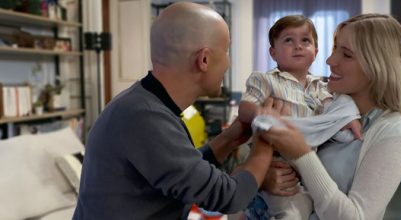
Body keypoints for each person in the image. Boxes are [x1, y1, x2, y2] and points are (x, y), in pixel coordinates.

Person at [73, 2, 275, 219]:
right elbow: (227, 196)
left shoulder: (142, 103)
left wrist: (229, 139)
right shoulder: (144, 117)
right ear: (204, 59)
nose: (228, 63)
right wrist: (266, 139)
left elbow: (184, 171)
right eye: (226, 51)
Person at [257, 13, 401, 220]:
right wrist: (267, 177)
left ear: (377, 66)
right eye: (335, 49)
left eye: (346, 55)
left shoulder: (394, 131)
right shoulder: (327, 105)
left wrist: (302, 155)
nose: (330, 60)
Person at [239, 15, 361, 220]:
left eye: (305, 40)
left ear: (316, 51)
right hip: (276, 162)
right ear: (273, 52)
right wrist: (261, 113)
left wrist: (348, 119)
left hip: (308, 164)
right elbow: (245, 108)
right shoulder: (265, 80)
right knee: (290, 212)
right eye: (288, 40)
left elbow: (335, 111)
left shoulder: (321, 87)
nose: (298, 46)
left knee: (310, 208)